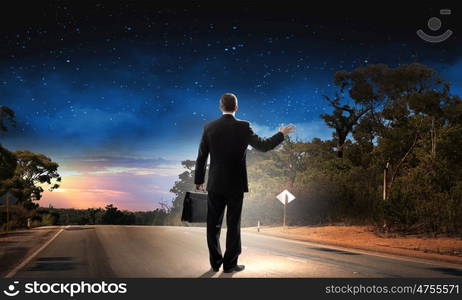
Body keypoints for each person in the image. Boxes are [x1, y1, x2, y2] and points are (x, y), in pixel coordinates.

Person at [194, 93, 295, 273]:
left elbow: (202, 156)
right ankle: (230, 265)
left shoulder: (209, 127)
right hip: (236, 184)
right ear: (236, 107)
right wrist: (281, 134)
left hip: (215, 183)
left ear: (220, 106)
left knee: (213, 224)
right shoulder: (243, 126)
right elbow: (263, 146)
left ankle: (215, 262)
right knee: (234, 224)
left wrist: (199, 180)